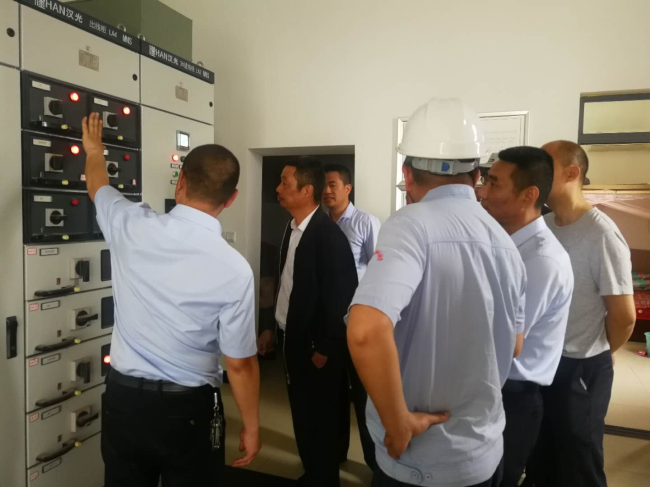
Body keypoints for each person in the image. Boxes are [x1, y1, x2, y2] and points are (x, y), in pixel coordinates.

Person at [347, 98, 526, 487]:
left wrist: (397, 423)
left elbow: (364, 330)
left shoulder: (410, 225)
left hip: (420, 461)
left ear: (406, 174)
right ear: (476, 175)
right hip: (483, 453)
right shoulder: (506, 243)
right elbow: (514, 345)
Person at [81, 113, 261, 487]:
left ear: (181, 182)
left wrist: (95, 150)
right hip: (188, 409)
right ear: (231, 199)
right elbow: (239, 364)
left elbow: (98, 186)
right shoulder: (235, 269)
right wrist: (252, 425)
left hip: (124, 402)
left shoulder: (130, 224)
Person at [524, 141, 636, 487]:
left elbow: (624, 316)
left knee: (579, 460)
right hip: (544, 361)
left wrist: (598, 350)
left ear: (572, 173)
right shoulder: (544, 225)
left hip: (581, 367)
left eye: (546, 166)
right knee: (541, 454)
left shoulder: (601, 234)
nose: (536, 174)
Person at [477, 146, 574, 487]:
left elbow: (504, 344)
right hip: (492, 388)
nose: (482, 193)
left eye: (493, 184)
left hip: (513, 396)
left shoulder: (539, 261)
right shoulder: (504, 244)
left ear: (528, 195)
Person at [259, 157, 358, 486]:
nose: (278, 188)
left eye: (285, 183)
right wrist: (272, 327)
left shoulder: (327, 236)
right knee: (305, 411)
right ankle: (318, 470)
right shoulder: (293, 228)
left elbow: (342, 296)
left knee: (317, 416)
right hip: (292, 335)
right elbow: (287, 284)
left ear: (306, 190)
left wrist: (325, 347)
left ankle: (322, 477)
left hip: (315, 344)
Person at [322, 163, 380, 470]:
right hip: (330, 323)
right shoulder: (320, 225)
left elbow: (380, 271)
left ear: (347, 188)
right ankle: (335, 454)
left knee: (364, 396)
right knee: (332, 394)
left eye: (332, 184)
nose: (326, 191)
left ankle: (374, 464)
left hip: (358, 324)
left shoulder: (365, 222)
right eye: (323, 185)